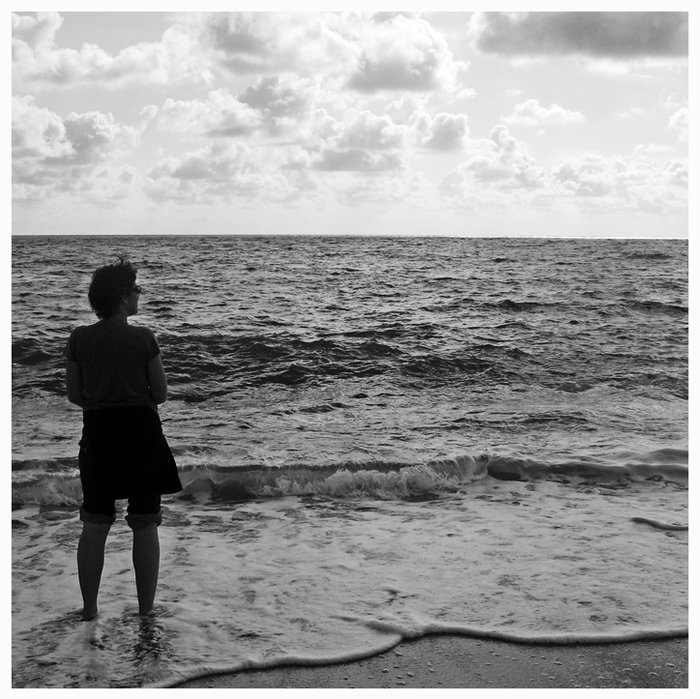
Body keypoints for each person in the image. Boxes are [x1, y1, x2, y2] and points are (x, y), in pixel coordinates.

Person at [64, 257, 181, 621]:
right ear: (121, 297)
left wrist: (104, 403)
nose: (138, 294)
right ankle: (146, 610)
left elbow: (75, 394)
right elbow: (160, 393)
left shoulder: (79, 338)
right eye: (135, 289)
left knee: (96, 522)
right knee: (144, 521)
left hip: (98, 434)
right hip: (142, 435)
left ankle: (89, 609)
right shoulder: (143, 338)